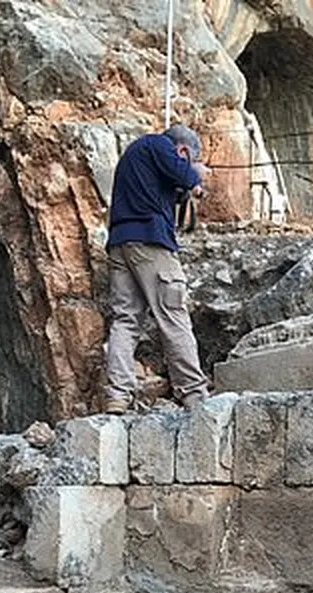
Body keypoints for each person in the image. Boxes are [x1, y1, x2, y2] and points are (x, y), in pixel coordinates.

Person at [103, 124, 211, 413]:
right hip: (151, 241)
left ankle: (117, 394)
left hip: (120, 243)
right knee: (172, 313)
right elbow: (184, 174)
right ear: (182, 151)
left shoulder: (136, 156)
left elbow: (164, 188)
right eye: (187, 158)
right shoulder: (158, 144)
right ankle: (194, 394)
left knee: (125, 319)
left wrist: (183, 190)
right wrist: (195, 176)